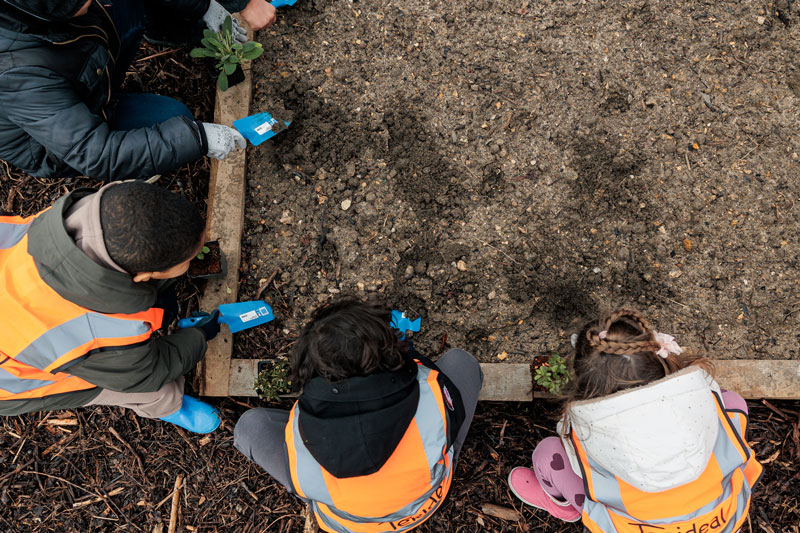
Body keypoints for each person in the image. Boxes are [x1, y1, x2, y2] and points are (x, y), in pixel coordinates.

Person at [234, 299, 484, 533]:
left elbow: (302, 481)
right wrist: (409, 354)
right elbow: (440, 394)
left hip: (350, 524)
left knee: (250, 427)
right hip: (423, 503)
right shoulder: (431, 392)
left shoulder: (299, 434)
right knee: (462, 363)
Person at [509, 309, 763, 532]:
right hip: (719, 518)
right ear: (659, 360)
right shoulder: (702, 393)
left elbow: (579, 461)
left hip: (629, 526)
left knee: (548, 453)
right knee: (733, 404)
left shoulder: (584, 433)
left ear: (585, 387)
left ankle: (566, 508)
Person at [0, 181, 222, 433]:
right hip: (11, 377)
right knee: (132, 387)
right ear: (142, 275)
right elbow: (146, 373)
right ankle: (168, 405)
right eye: (189, 259)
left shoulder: (90, 214)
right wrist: (198, 336)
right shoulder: (91, 334)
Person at [0, 0, 276, 181]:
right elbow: (94, 153)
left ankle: (160, 29)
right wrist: (199, 139)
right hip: (65, 142)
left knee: (126, 4)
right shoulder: (17, 72)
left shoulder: (34, 13)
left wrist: (202, 6)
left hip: (82, 66)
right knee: (176, 120)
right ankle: (134, 174)